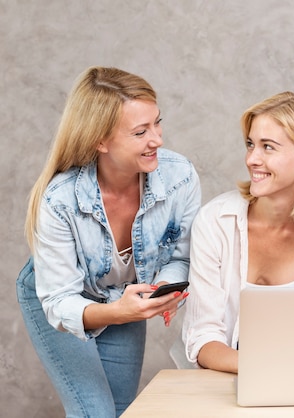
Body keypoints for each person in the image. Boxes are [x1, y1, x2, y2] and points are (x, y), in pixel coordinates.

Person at [16, 66, 202, 417]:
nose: (157, 139)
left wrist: (161, 289)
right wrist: (119, 312)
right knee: (94, 413)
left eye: (157, 123)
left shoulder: (179, 178)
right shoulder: (60, 201)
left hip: (126, 292)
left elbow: (181, 255)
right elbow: (58, 301)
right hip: (61, 295)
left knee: (118, 413)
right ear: (100, 140)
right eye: (140, 132)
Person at [182, 91, 294, 373]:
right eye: (250, 144)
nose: (252, 159)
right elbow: (203, 337)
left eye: (268, 147)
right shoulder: (215, 222)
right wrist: (268, 369)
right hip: (223, 383)